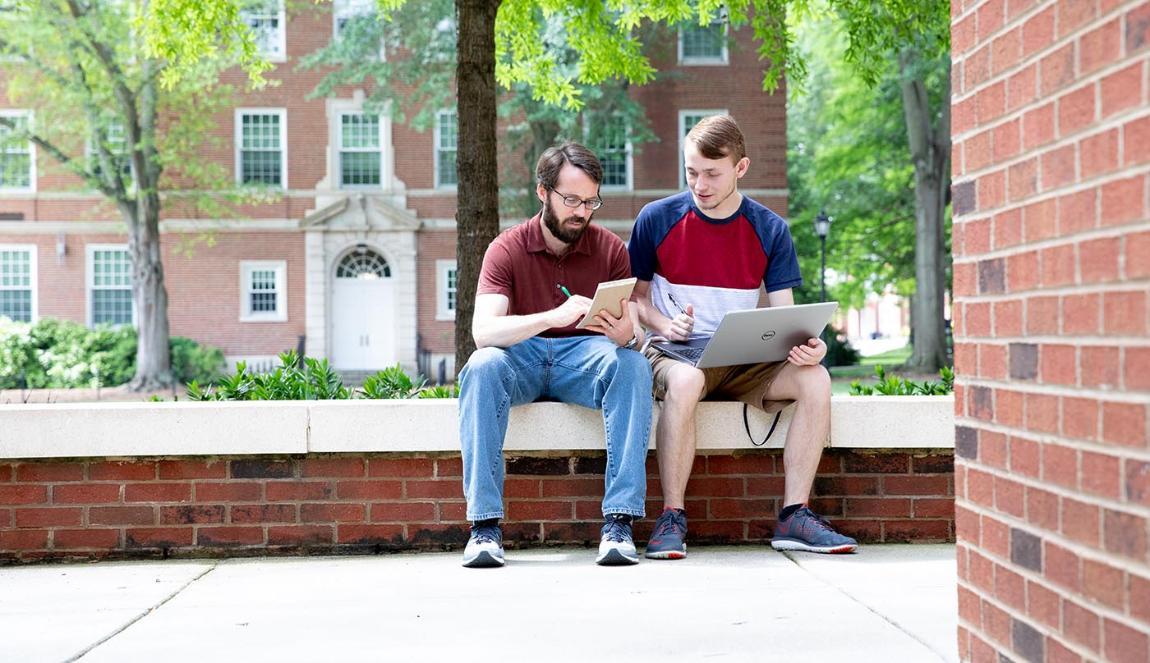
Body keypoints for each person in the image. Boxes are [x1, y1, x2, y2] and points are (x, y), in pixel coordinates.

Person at [628, 115, 857, 559]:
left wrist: (811, 345)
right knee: (688, 381)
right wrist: (662, 324)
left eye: (712, 173)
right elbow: (635, 300)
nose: (700, 184)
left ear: (741, 167)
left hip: (741, 359)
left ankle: (795, 516)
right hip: (675, 355)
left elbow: (786, 316)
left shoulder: (769, 229)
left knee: (815, 378)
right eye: (691, 172)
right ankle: (672, 517)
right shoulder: (656, 218)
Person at [458, 142, 652, 568]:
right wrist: (552, 316)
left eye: (590, 201)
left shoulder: (611, 250)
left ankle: (619, 523)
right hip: (521, 356)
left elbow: (633, 331)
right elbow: (483, 332)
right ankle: (484, 528)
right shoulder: (505, 249)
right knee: (483, 365)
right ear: (542, 192)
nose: (582, 212)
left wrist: (626, 335)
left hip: (584, 356)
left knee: (633, 365)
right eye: (571, 200)